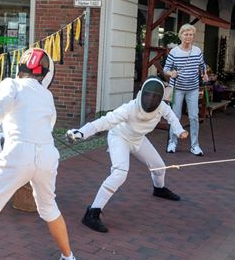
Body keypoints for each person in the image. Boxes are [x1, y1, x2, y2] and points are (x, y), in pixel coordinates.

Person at [0, 48, 80, 260]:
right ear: (45, 74)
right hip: (47, 155)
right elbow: (48, 126)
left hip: (19, 153)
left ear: (20, 66)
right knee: (49, 208)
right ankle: (69, 259)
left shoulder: (11, 84)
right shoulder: (47, 95)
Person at [66, 77, 189, 233]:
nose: (150, 99)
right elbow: (105, 121)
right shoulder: (129, 108)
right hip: (120, 137)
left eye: (155, 97)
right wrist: (81, 133)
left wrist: (179, 131)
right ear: (141, 94)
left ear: (160, 99)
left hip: (138, 139)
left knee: (159, 167)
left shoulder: (162, 107)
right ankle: (92, 213)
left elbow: (172, 118)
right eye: (147, 95)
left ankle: (159, 189)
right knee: (120, 173)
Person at [163, 24, 209, 155]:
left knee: (194, 116)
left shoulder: (197, 51)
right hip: (177, 88)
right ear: (181, 35)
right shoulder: (174, 52)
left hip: (193, 88)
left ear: (193, 37)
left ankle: (195, 145)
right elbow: (166, 69)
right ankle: (172, 143)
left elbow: (202, 66)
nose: (188, 37)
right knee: (175, 116)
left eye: (190, 34)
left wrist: (204, 74)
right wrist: (171, 73)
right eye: (186, 34)